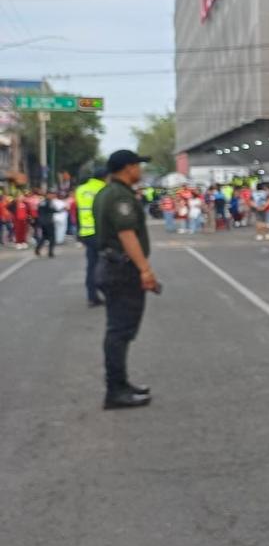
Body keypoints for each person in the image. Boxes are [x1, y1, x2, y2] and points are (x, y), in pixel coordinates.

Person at [93, 150, 156, 410]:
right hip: (122, 269)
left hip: (111, 265)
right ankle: (115, 390)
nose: (140, 170)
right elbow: (127, 233)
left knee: (119, 330)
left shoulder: (107, 192)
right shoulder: (119, 195)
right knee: (120, 331)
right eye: (138, 166)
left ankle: (121, 383)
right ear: (128, 168)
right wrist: (145, 269)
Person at [75, 166, 109, 308]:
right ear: (105, 177)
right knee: (107, 264)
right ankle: (108, 293)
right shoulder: (105, 190)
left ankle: (92, 296)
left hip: (86, 233)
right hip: (101, 232)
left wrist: (79, 232)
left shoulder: (80, 189)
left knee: (91, 265)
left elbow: (77, 212)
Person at [33, 189, 56, 257]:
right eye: (52, 194)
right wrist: (61, 209)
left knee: (44, 237)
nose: (53, 196)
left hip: (42, 222)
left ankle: (37, 249)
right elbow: (53, 210)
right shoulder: (49, 202)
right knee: (52, 237)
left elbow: (38, 211)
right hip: (49, 222)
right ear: (48, 195)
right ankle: (50, 252)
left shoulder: (42, 202)